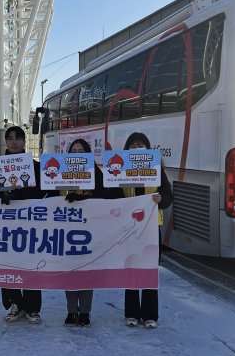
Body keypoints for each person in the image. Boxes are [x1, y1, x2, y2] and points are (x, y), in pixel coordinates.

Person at [0, 126, 52, 324]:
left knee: (32, 266)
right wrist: (1, 195)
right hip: (4, 228)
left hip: (31, 226)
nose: (14, 142)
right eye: (10, 138)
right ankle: (14, 303)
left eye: (18, 138)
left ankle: (32, 307)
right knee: (8, 266)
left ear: (24, 141)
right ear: (5, 142)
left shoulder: (36, 167)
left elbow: (50, 192)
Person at [60, 138, 122, 328]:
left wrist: (85, 198)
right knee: (69, 272)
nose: (77, 154)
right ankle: (71, 311)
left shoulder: (97, 173)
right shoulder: (60, 173)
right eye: (74, 151)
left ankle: (85, 311)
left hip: (89, 231)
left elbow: (111, 197)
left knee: (87, 272)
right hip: (66, 231)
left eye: (81, 151)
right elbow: (47, 198)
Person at [121, 132, 173, 329]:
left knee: (150, 270)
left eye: (141, 145)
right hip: (129, 228)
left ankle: (150, 315)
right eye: (133, 145)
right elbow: (112, 195)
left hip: (151, 227)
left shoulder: (156, 169)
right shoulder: (120, 170)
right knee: (131, 269)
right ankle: (132, 313)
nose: (136, 148)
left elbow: (169, 196)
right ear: (127, 149)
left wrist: (161, 200)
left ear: (148, 148)